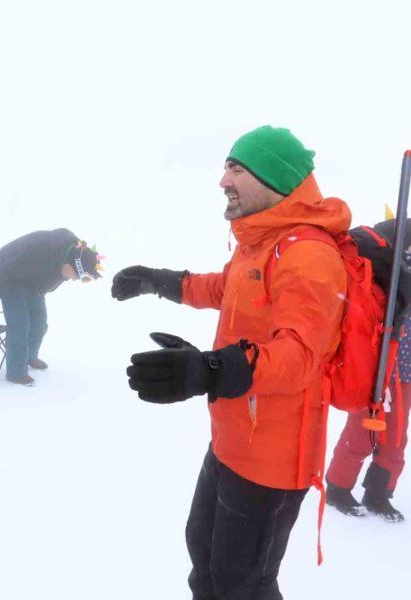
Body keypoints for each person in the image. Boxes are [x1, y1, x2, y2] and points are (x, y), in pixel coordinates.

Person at [112, 125, 350, 599]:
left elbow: (300, 356)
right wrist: (158, 280)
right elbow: (225, 289)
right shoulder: (259, 242)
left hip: (273, 461)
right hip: (231, 440)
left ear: (275, 178)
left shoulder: (309, 255)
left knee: (242, 585)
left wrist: (212, 369)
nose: (224, 180)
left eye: (237, 169)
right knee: (204, 560)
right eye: (225, 167)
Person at [0, 231, 103, 385]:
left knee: (39, 324)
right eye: (77, 276)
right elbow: (5, 274)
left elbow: (53, 276)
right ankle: (16, 373)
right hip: (8, 274)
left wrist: (39, 290)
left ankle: (29, 357)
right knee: (19, 326)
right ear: (72, 264)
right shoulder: (41, 253)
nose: (74, 279)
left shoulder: (70, 255)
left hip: (32, 280)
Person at [325, 312, 411, 522]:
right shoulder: (391, 288)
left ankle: (378, 493)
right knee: (361, 432)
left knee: (396, 438)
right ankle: (338, 488)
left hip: (406, 373)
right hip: (376, 368)